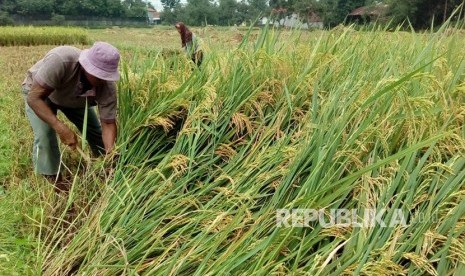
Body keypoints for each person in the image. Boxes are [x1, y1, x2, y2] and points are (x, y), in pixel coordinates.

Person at [21, 41, 120, 192]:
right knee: (45, 136)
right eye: (98, 74)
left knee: (97, 134)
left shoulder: (107, 87)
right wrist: (61, 128)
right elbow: (34, 98)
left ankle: (104, 169)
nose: (102, 80)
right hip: (41, 96)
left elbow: (108, 123)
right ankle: (52, 178)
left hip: (74, 99)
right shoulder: (61, 60)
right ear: (87, 66)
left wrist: (110, 155)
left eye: (106, 76)